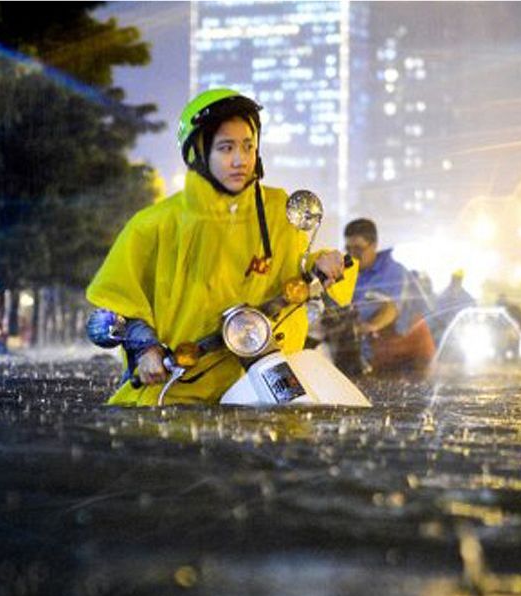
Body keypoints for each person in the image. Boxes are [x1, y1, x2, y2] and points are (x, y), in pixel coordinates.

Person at [86, 87, 355, 405]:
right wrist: (146, 350)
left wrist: (327, 263)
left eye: (248, 146)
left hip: (265, 371)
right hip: (180, 387)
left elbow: (299, 263)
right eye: (226, 148)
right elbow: (119, 302)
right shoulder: (153, 225)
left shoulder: (277, 211)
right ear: (198, 152)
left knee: (307, 422)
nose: (241, 160)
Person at [340, 218, 436, 376]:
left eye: (358, 249)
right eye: (348, 249)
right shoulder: (350, 274)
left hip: (409, 354)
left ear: (374, 245)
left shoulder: (393, 272)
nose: (352, 255)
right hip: (377, 353)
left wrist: (367, 327)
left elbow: (390, 309)